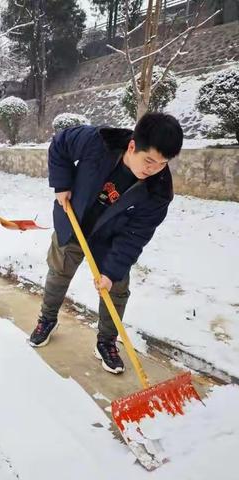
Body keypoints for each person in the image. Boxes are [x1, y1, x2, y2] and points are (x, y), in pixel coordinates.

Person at [29, 112, 183, 374]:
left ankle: (106, 341)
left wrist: (111, 272)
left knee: (117, 289)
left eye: (161, 163)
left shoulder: (158, 191)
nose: (153, 169)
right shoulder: (98, 141)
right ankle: (47, 320)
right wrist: (61, 184)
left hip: (110, 240)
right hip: (73, 220)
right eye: (149, 160)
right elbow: (60, 144)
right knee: (58, 272)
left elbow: (135, 236)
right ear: (132, 146)